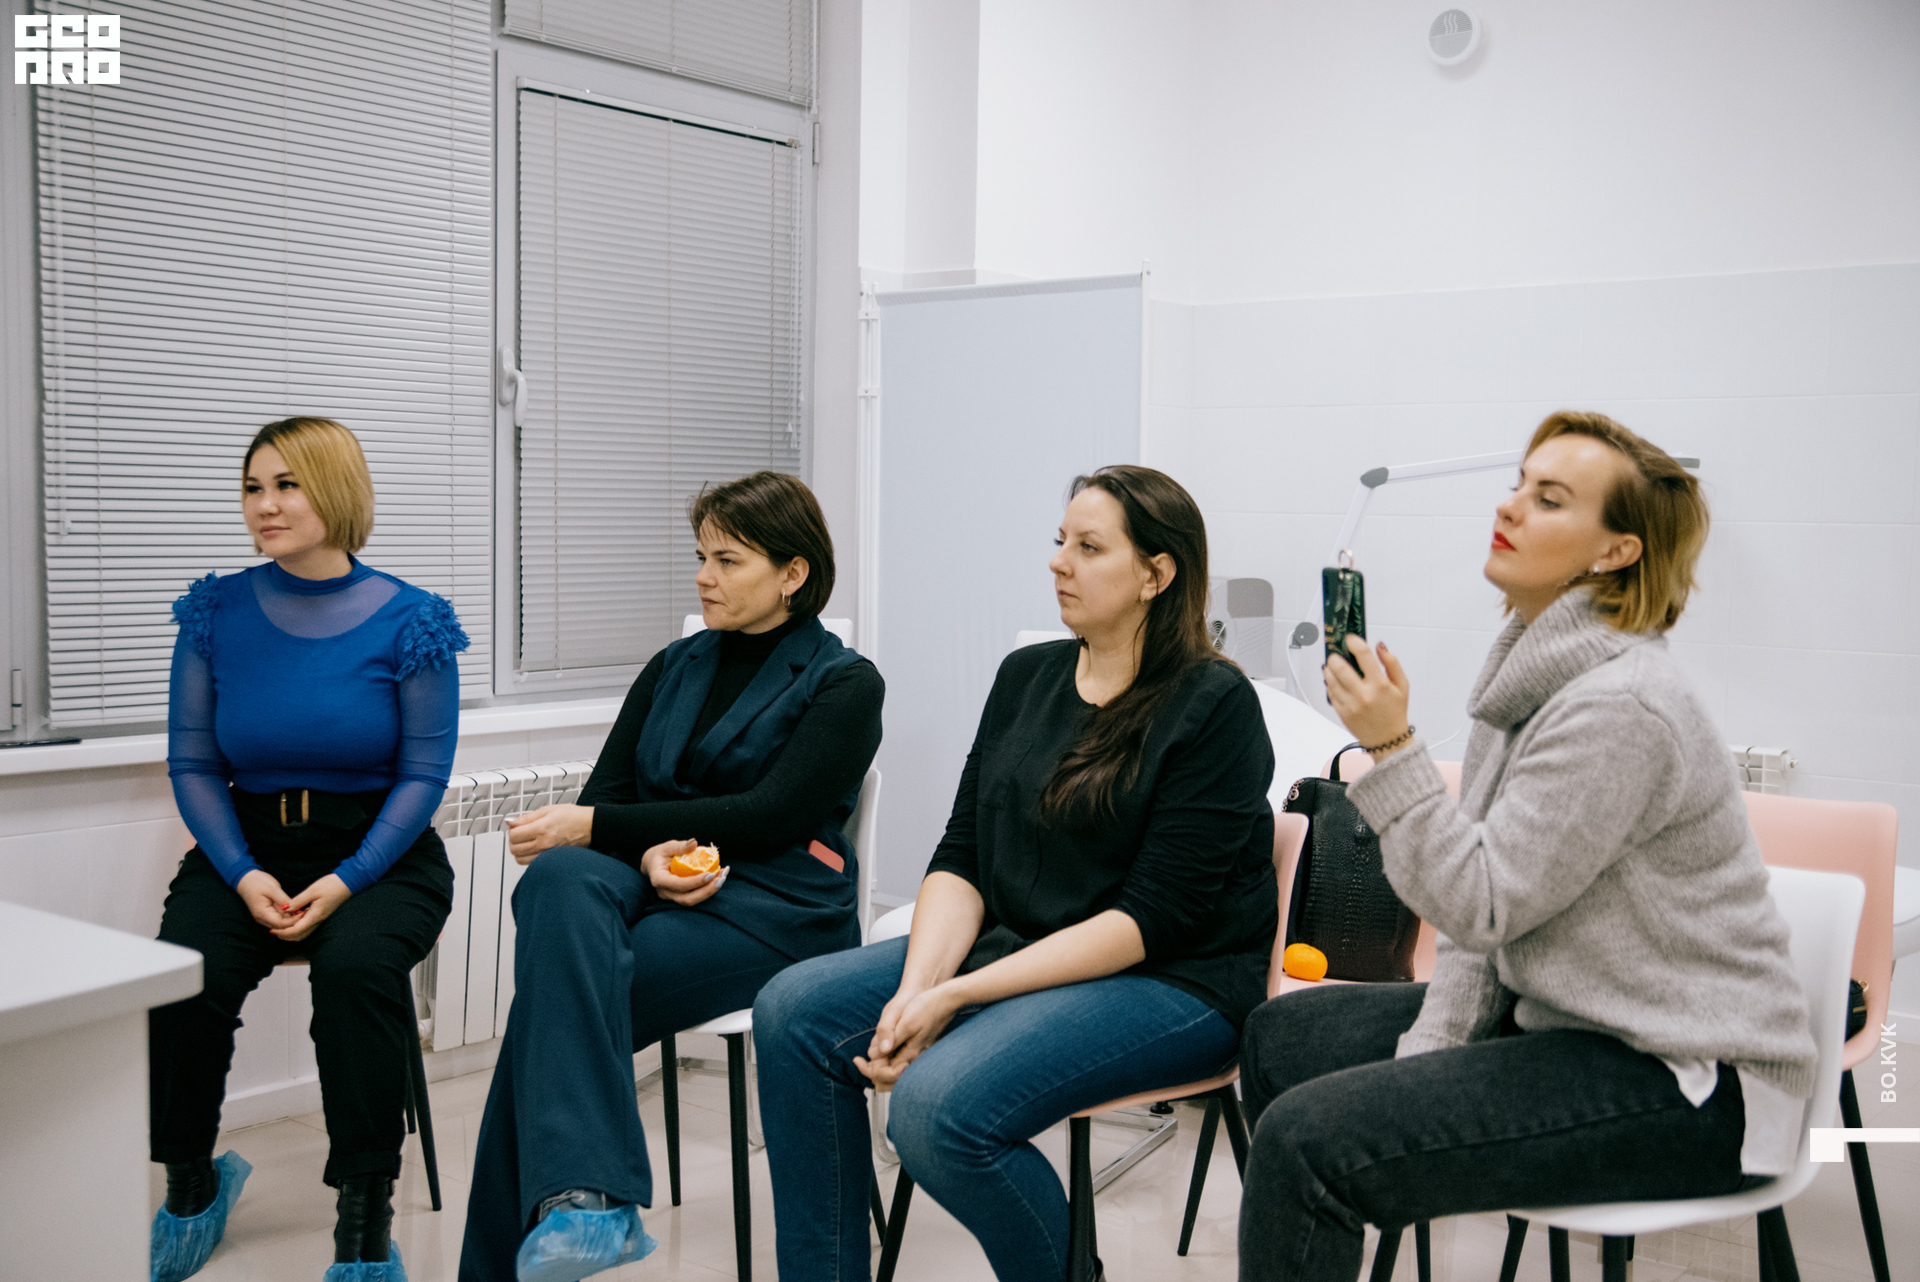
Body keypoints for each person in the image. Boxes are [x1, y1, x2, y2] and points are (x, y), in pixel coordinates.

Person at [1234, 412, 1818, 1282]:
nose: (1509, 507)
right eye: (1519, 485)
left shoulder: (1618, 707)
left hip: (1692, 1080)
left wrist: (1392, 748)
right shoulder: (1533, 678)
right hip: (1571, 1019)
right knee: (1277, 1038)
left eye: (1549, 499)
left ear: (1616, 551)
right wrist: (1434, 1054)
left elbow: (1482, 903)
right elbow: (1481, 929)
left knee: (1304, 1145)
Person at [755, 465, 1277, 1282]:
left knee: (938, 1109)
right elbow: (963, 852)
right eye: (1060, 541)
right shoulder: (1026, 676)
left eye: (1089, 547)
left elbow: (1152, 919)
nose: (1058, 561)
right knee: (792, 1010)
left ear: (1155, 574)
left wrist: (955, 995)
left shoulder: (1214, 703)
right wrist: (917, 988)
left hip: (1173, 980)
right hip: (1019, 946)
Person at [457, 470, 884, 1282]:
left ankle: (576, 1211)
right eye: (700, 557)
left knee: (548, 1017)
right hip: (657, 887)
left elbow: (768, 816)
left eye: (728, 560)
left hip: (773, 909)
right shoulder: (673, 666)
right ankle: (587, 1204)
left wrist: (608, 829)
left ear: (793, 573)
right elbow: (611, 796)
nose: (703, 577)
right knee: (557, 880)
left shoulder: (845, 683)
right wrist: (650, 852)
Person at [150, 417, 468, 1282]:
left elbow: (423, 774)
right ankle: (191, 1183)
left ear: (335, 489)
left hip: (380, 852)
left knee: (357, 975)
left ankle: (364, 1223)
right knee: (182, 976)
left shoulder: (414, 620)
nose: (265, 504)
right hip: (247, 845)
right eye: (253, 487)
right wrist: (242, 872)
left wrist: (348, 878)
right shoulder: (214, 612)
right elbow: (193, 761)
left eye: (287, 484)